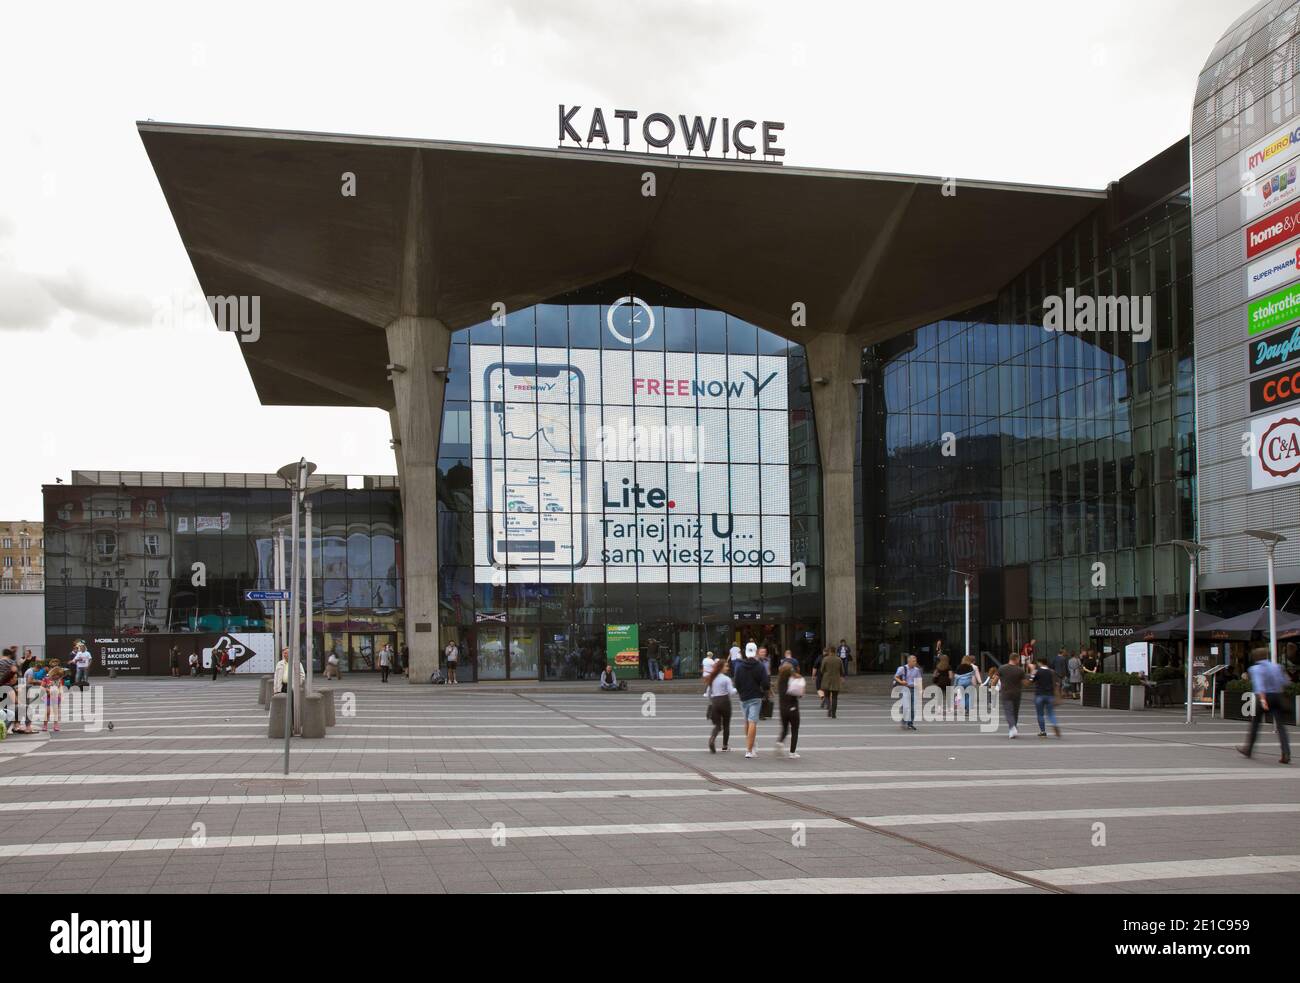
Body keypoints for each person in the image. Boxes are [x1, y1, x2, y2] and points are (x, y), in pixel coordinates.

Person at [1238, 649, 1292, 764]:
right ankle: (1286, 753)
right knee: (1281, 726)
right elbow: (1286, 682)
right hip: (1277, 696)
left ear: (1255, 658)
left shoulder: (1255, 669)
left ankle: (1248, 749)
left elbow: (1259, 686)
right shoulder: (1277, 667)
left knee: (1255, 724)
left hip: (1265, 697)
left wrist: (1263, 701)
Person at [733, 643, 770, 758]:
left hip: (743, 697)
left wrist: (741, 692)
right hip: (755, 697)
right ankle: (749, 750)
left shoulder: (739, 666)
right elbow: (765, 684)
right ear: (755, 652)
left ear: (745, 652)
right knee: (753, 721)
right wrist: (763, 690)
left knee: (747, 721)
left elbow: (736, 683)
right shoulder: (760, 666)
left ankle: (751, 746)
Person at [704, 657, 736, 754]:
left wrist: (712, 701)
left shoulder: (712, 678)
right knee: (726, 725)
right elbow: (731, 692)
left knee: (718, 726)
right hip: (725, 701)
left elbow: (708, 693)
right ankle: (725, 746)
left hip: (715, 702)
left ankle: (712, 739)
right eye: (726, 666)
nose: (728, 668)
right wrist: (737, 688)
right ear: (721, 667)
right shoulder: (726, 679)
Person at [776, 661, 804, 759]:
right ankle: (792, 753)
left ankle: (780, 742)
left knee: (784, 728)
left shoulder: (779, 682)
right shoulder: (793, 681)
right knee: (795, 730)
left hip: (783, 709)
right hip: (793, 708)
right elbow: (799, 694)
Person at [1033, 657, 1062, 738]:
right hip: (1050, 695)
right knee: (1051, 713)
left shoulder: (1037, 671)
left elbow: (1031, 680)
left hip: (1039, 695)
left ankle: (1043, 732)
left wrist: (1032, 670)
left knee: (1040, 714)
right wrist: (1058, 695)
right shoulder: (1052, 671)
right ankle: (1054, 724)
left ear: (1040, 662)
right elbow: (1057, 684)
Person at [1000, 653, 1027, 739]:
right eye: (1018, 659)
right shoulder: (1020, 670)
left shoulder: (1002, 668)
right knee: (1015, 712)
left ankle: (1012, 728)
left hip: (1006, 693)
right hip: (1017, 693)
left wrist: (993, 687)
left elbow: (995, 679)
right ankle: (1013, 729)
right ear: (1016, 659)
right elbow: (1025, 683)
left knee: (1008, 712)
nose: (1019, 661)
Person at [893, 654, 922, 730]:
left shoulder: (917, 670)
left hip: (913, 689)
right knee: (906, 707)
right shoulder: (902, 668)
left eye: (915, 661)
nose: (915, 662)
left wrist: (921, 690)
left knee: (913, 708)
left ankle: (910, 723)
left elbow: (918, 680)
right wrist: (901, 682)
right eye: (913, 661)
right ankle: (904, 719)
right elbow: (896, 677)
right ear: (909, 661)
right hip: (905, 688)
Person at [820, 643, 843, 719]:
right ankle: (834, 713)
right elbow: (842, 670)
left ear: (829, 651)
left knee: (826, 696)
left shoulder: (825, 659)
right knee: (835, 697)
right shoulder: (839, 659)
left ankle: (829, 707)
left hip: (826, 679)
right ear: (835, 651)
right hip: (836, 680)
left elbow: (822, 670)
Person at [41, 659, 64, 733]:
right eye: (56, 676)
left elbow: (60, 687)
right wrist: (46, 690)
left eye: (59, 676)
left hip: (56, 697)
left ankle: (56, 724)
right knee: (47, 712)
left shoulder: (58, 680)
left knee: (56, 712)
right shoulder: (46, 679)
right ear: (53, 674)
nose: (57, 678)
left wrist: (60, 692)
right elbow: (42, 687)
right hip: (48, 696)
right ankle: (45, 724)